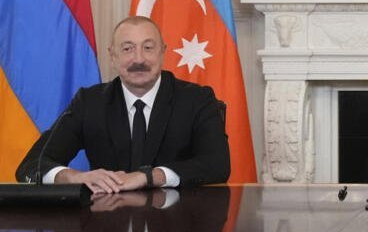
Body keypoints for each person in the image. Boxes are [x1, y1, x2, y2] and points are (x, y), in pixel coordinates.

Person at [17, 15, 230, 193]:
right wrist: (75, 177)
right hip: (106, 229)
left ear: (162, 53)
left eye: (148, 47)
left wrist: (149, 176)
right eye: (127, 49)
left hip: (178, 226)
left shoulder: (197, 100)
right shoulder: (90, 102)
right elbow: (30, 166)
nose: (139, 59)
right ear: (112, 56)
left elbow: (217, 165)